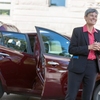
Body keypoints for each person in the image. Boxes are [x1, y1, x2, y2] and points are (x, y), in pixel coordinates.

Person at [65, 8, 100, 100]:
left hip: (92, 67)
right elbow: (71, 49)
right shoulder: (77, 31)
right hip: (77, 65)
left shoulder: (99, 33)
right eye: (91, 15)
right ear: (85, 17)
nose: (94, 18)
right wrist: (89, 47)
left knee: (87, 96)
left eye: (96, 16)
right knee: (71, 95)